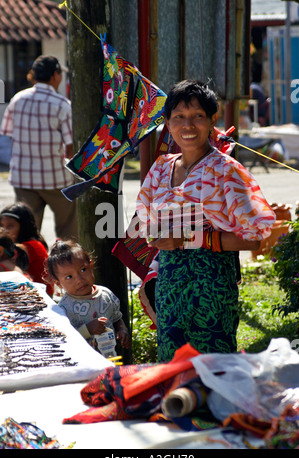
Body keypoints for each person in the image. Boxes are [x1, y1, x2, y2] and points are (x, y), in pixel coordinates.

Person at [135, 79, 276, 362]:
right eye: (179, 117)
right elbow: (145, 219)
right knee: (172, 370)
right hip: (170, 284)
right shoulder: (162, 168)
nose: (188, 126)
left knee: (213, 372)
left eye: (197, 116)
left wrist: (186, 238)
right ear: (167, 122)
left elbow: (254, 237)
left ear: (213, 119)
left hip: (211, 288)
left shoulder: (228, 172)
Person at [0, 55, 77, 240]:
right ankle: (63, 265)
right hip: (57, 179)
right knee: (69, 230)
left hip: (23, 178)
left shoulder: (17, 100)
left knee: (26, 232)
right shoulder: (63, 106)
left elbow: (8, 133)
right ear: (55, 76)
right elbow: (70, 147)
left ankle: (29, 266)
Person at [46, 239, 131, 353]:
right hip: (84, 363)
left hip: (110, 357)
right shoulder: (64, 309)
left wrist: (122, 330)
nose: (79, 280)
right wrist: (87, 329)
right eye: (69, 277)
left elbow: (116, 318)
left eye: (83, 269)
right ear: (58, 283)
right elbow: (65, 339)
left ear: (90, 266)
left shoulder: (106, 294)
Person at [0, 202, 54, 296]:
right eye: (1, 225)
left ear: (23, 227)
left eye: (10, 226)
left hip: (41, 295)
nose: (5, 229)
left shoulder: (29, 247)